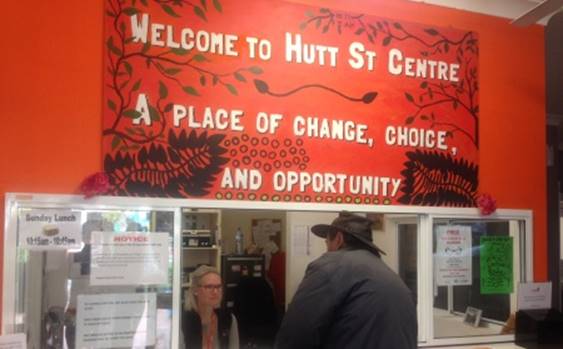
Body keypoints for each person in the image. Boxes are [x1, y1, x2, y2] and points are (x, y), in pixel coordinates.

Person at [275, 212, 417, 349]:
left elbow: (296, 334)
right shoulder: (391, 276)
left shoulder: (330, 266)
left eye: (326, 243)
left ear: (338, 239)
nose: (326, 250)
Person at [183, 265, 239, 349]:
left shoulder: (228, 318)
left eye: (218, 286)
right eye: (209, 287)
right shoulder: (182, 321)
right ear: (195, 290)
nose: (215, 291)